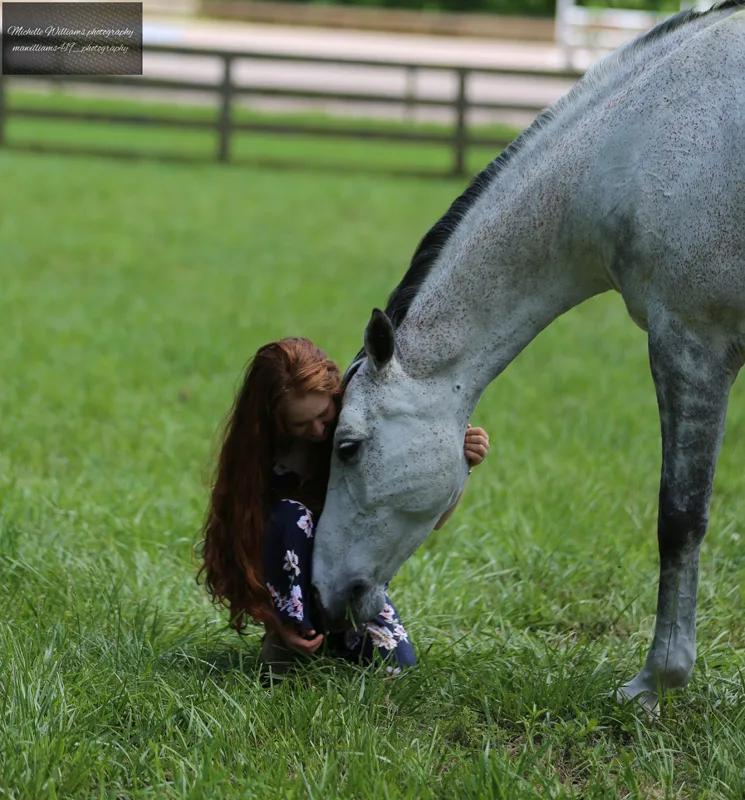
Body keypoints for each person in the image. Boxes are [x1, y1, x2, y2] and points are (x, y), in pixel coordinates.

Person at [199, 337, 489, 673]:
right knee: (290, 516)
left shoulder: (357, 432)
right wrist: (276, 623)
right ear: (275, 419)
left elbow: (435, 521)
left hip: (349, 585)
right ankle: (292, 637)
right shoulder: (256, 458)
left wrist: (463, 465)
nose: (319, 429)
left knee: (397, 667)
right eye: (300, 423)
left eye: (324, 414)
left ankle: (338, 637)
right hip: (291, 593)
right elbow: (240, 543)